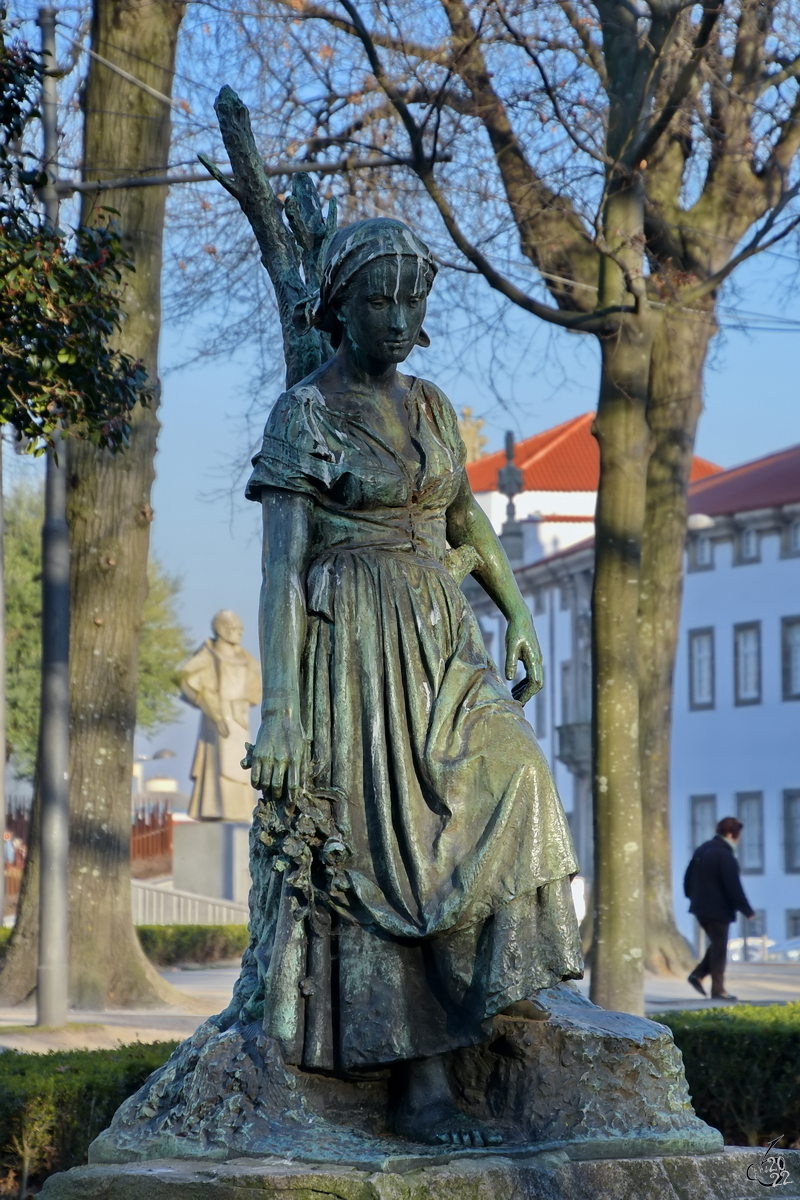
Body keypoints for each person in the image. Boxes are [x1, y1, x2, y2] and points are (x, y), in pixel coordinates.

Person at [244, 217, 582, 1146]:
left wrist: (513, 606)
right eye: (379, 300)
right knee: (388, 850)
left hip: (447, 639)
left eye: (412, 301)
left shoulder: (431, 406)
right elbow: (282, 569)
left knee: (518, 777)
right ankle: (423, 1084)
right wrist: (280, 714)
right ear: (340, 309)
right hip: (355, 649)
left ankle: (501, 1004)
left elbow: (466, 517)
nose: (397, 318)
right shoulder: (305, 413)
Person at [180, 610, 261, 821]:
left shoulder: (247, 660)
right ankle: (216, 809)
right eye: (234, 628)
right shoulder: (208, 655)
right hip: (217, 718)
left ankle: (239, 811)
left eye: (241, 629)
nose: (239, 633)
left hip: (239, 719)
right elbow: (184, 679)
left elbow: (256, 690)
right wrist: (206, 702)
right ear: (220, 629)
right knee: (217, 767)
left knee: (240, 765)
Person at [684, 816, 755, 1001]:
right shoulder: (725, 855)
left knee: (717, 944)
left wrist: (692, 897)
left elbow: (687, 877)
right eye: (738, 836)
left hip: (700, 907)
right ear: (731, 834)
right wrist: (746, 909)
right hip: (718, 909)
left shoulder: (703, 849)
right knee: (719, 947)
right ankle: (718, 989)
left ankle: (697, 975)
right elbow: (733, 886)